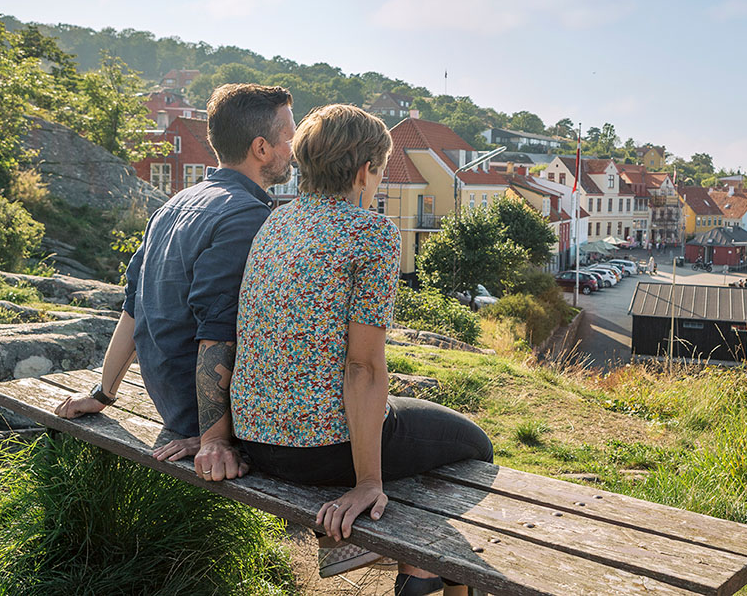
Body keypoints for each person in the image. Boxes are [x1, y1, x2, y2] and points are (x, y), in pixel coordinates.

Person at [230, 105, 492, 596]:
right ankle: (421, 569)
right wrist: (368, 481)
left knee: (418, 434)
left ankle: (415, 564)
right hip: (321, 451)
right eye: (379, 170)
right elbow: (364, 367)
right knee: (475, 446)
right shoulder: (371, 234)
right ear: (363, 171)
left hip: (258, 441)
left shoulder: (274, 223)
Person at [56, 84, 295, 481]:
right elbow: (217, 332)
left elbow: (133, 307)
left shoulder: (175, 203)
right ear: (261, 148)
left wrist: (102, 395)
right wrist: (213, 438)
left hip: (176, 404)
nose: (295, 147)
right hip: (206, 417)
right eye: (289, 137)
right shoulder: (246, 217)